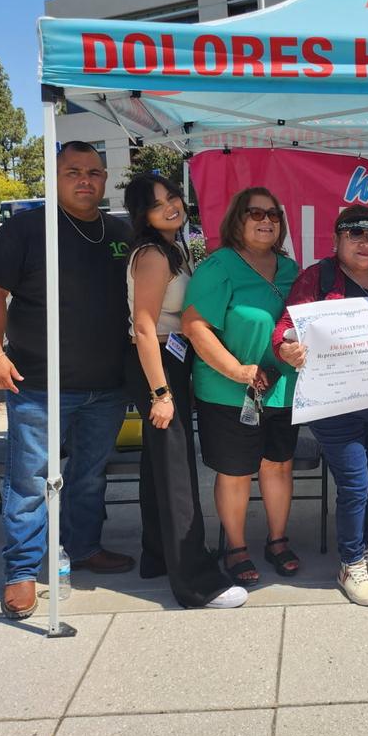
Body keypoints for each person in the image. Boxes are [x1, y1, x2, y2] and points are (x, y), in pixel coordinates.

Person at [0, 141, 135, 620]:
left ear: (105, 178)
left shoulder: (121, 231)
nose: (85, 179)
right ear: (55, 175)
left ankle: (84, 548)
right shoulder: (25, 229)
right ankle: (22, 573)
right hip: (39, 384)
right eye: (73, 171)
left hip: (107, 385)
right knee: (30, 481)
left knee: (88, 477)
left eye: (93, 171)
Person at [123, 172, 246, 609]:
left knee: (158, 466)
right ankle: (196, 583)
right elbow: (143, 325)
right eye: (158, 204)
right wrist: (161, 392)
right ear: (143, 214)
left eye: (172, 197)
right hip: (156, 363)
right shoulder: (154, 254)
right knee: (177, 473)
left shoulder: (172, 247)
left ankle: (158, 556)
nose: (171, 206)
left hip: (170, 359)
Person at [272, 206, 368, 605]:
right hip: (333, 403)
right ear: (336, 240)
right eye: (355, 235)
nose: (365, 243)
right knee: (355, 483)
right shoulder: (318, 276)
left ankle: (362, 549)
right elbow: (287, 324)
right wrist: (286, 346)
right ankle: (350, 563)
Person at [182, 187, 300, 588]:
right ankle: (235, 547)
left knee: (278, 466)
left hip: (282, 388)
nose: (266, 220)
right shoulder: (219, 266)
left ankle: (277, 540)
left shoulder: (291, 270)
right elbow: (195, 327)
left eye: (274, 214)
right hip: (229, 391)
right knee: (235, 472)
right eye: (255, 213)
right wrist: (237, 370)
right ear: (238, 219)